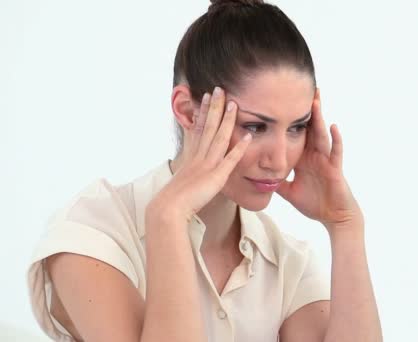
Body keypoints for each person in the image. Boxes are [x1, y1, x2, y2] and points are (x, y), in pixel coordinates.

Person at [27, 0, 382, 341]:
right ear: (187, 110)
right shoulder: (94, 234)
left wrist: (345, 224)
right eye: (256, 126)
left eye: (296, 127)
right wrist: (168, 220)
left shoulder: (287, 263)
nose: (278, 159)